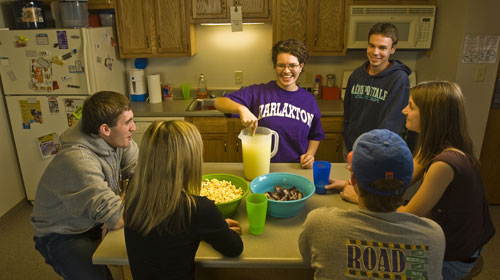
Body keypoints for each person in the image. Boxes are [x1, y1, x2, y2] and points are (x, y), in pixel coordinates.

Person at [335, 81, 496, 279]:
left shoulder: (444, 164)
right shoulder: (433, 146)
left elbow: (404, 216)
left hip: (454, 259)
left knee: (372, 262)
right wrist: (353, 183)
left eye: (411, 106)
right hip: (448, 239)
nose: (404, 111)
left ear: (430, 115)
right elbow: (400, 180)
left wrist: (356, 197)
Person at [299, 129, 445, 279]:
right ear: (408, 182)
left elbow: (307, 260)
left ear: (353, 180)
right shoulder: (433, 237)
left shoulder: (319, 224)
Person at [31, 91, 138, 279]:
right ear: (105, 129)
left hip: (92, 220)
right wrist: (112, 215)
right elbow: (117, 217)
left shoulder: (116, 137)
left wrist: (112, 214)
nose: (134, 128)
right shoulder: (78, 160)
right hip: (63, 233)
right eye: (128, 122)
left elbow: (140, 174)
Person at [123, 120, 243, 279]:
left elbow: (166, 239)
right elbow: (234, 248)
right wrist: (212, 227)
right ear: (190, 161)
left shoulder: (133, 193)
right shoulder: (197, 209)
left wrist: (210, 227)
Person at [214, 38, 325, 168]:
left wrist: (310, 155)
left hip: (296, 168)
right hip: (261, 167)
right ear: (275, 66)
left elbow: (315, 135)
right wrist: (241, 109)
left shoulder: (309, 100)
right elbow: (219, 102)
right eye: (281, 65)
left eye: (292, 65)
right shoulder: (258, 92)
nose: (286, 71)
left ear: (301, 66)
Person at [343, 22, 411, 157]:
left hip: (378, 152)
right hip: (351, 147)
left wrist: (371, 150)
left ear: (393, 49)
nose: (375, 52)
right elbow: (348, 114)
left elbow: (392, 124)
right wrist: (348, 141)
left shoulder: (399, 79)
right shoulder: (356, 75)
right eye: (371, 46)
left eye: (382, 48)